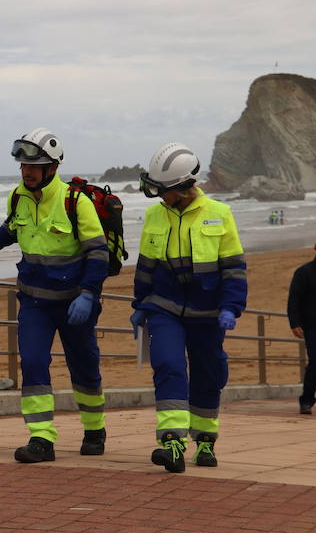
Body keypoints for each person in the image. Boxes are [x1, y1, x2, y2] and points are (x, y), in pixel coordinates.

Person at [0, 128, 109, 463]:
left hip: (75, 302)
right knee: (32, 364)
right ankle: (41, 438)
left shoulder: (76, 202)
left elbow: (98, 253)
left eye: (34, 165)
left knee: (85, 367)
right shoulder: (17, 196)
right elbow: (10, 231)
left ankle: (94, 428)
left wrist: (88, 293)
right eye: (22, 165)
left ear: (52, 167)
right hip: (33, 302)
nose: (26, 171)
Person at [131, 142, 247, 473]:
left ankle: (206, 439)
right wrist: (140, 305)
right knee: (168, 364)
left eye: (163, 190)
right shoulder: (155, 214)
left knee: (208, 375)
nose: (158, 197)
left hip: (208, 312)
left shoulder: (220, 214)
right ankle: (172, 441)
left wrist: (231, 307)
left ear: (184, 187)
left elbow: (234, 268)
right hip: (164, 307)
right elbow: (146, 266)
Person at [287, 236, 316, 414]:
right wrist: (294, 323)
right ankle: (306, 400)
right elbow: (294, 299)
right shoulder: (304, 272)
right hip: (312, 326)